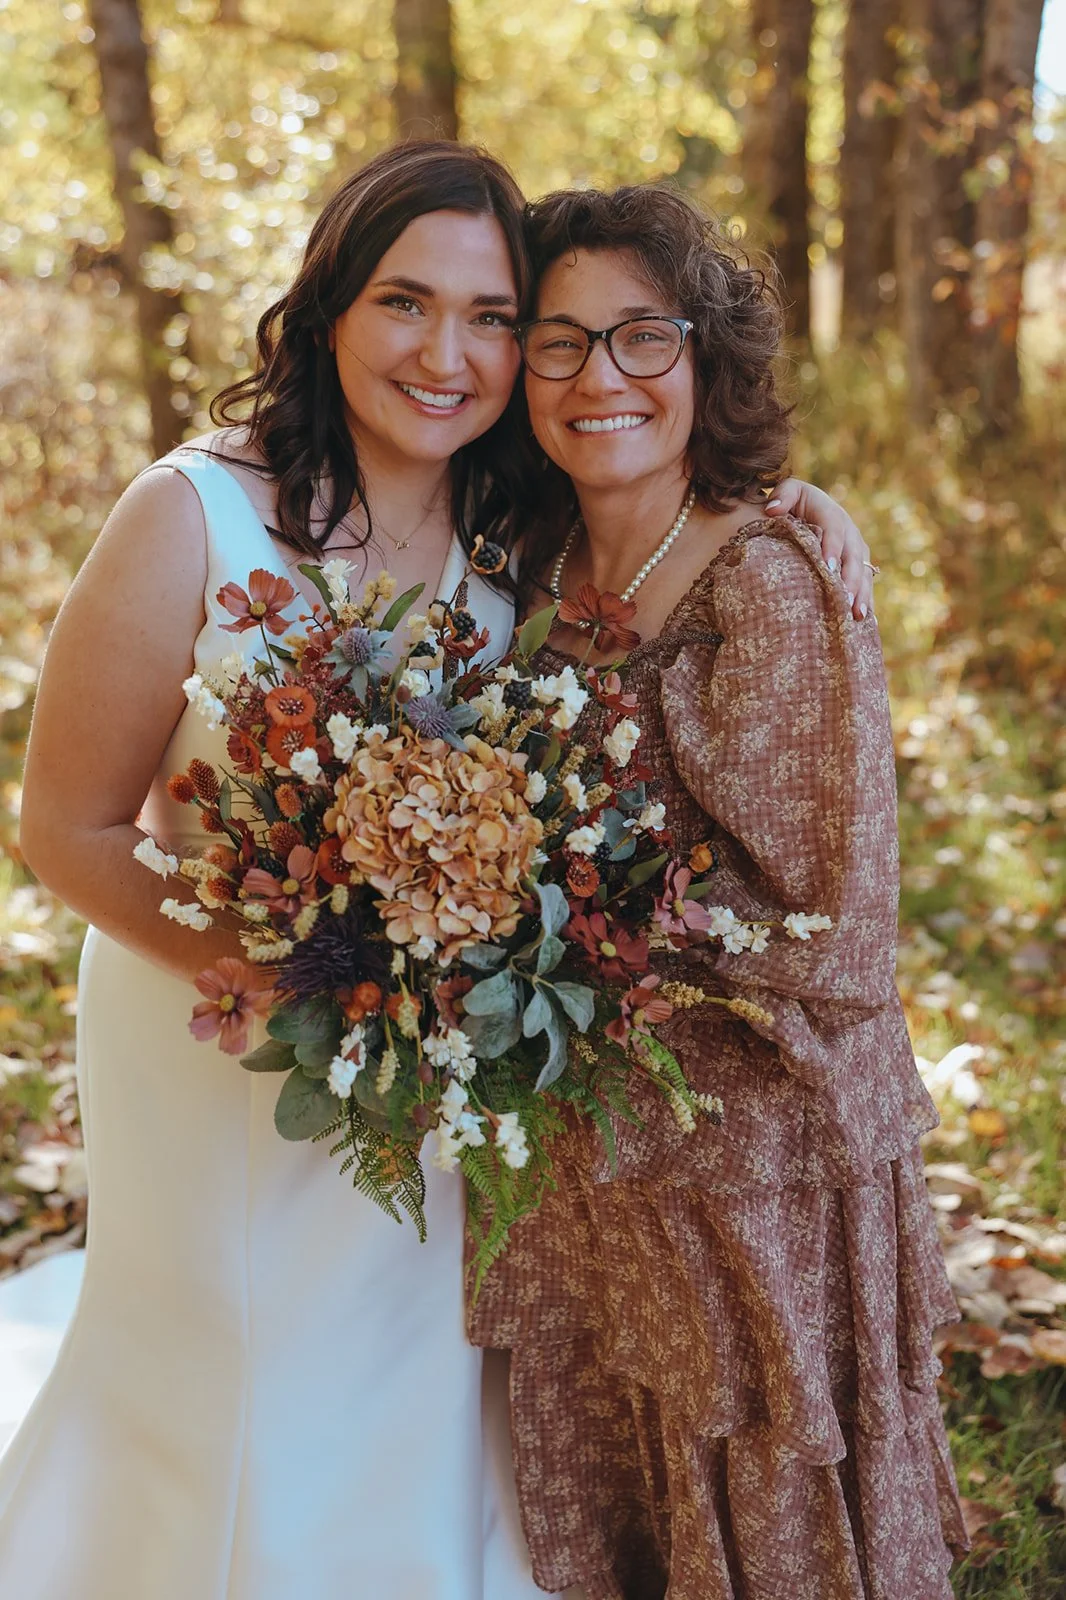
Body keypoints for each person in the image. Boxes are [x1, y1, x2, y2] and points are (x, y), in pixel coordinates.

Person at [0, 142, 874, 1598]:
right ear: (329, 308)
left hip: (448, 1062)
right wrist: (308, 983)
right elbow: (65, 832)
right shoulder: (190, 516)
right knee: (246, 1360)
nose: (447, 353)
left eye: (490, 319)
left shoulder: (510, 533)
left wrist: (795, 510)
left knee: (420, 1363)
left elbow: (667, 510)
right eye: (406, 303)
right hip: (221, 1030)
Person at [466, 184, 968, 1599]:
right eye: (556, 343)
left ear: (705, 358)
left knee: (755, 1484)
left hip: (753, 1147)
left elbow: (832, 921)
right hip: (588, 1137)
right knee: (628, 1490)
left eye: (640, 337)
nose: (597, 378)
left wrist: (561, 932)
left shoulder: (762, 577)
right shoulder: (532, 560)